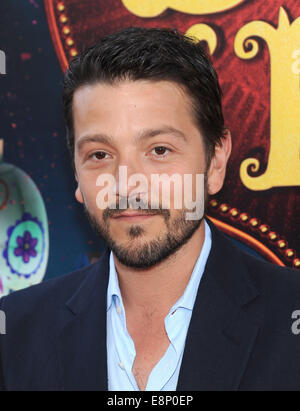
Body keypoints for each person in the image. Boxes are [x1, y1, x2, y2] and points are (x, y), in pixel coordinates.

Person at [0, 27, 299, 391]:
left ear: (216, 161)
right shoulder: (14, 332)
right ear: (76, 173)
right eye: (99, 155)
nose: (127, 185)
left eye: (159, 150)